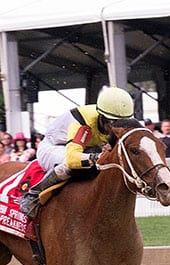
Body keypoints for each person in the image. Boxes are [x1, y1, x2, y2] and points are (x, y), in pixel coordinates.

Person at [19, 86, 134, 218]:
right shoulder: (82, 124)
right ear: (102, 117)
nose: (118, 129)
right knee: (68, 166)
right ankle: (32, 196)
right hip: (55, 147)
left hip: (86, 147)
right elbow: (72, 159)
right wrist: (97, 157)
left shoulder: (115, 117)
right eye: (114, 124)